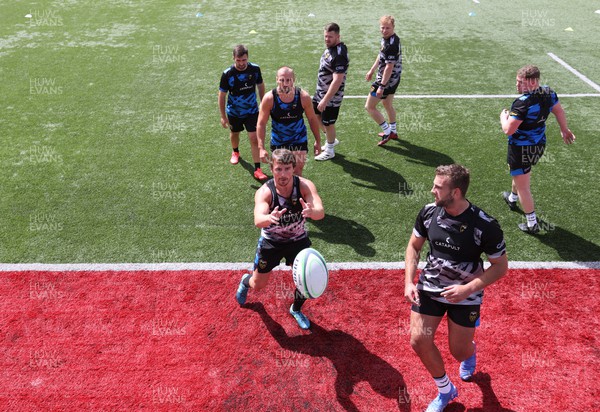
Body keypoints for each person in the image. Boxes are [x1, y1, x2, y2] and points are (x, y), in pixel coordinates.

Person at [403, 164, 508, 412]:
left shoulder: (485, 225)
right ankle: (446, 390)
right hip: (430, 288)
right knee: (419, 341)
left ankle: (469, 351)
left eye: (438, 188)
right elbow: (414, 247)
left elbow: (500, 267)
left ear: (456, 192)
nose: (432, 191)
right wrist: (409, 281)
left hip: (466, 294)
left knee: (458, 352)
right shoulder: (429, 213)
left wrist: (467, 290)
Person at [235, 149, 325, 329]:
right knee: (258, 285)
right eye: (278, 169)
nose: (282, 174)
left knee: (307, 279)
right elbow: (258, 220)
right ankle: (246, 281)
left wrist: (311, 212)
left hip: (297, 241)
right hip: (271, 243)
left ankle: (296, 309)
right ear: (272, 168)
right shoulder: (264, 192)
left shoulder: (304, 186)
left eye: (286, 169)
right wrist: (269, 218)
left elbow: (320, 212)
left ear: (293, 168)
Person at [500, 65, 576, 233]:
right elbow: (559, 111)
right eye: (517, 81)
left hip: (520, 149)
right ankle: (512, 198)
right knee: (521, 174)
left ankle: (531, 223)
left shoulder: (522, 103)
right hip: (539, 145)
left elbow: (508, 130)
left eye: (521, 82)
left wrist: (503, 117)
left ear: (533, 82)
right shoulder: (548, 93)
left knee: (524, 186)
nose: (517, 86)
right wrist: (564, 129)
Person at [257, 67, 322, 176]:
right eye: (282, 80)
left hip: (298, 139)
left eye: (288, 80)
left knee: (296, 172)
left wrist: (318, 141)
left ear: (294, 80)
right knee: (279, 174)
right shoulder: (269, 98)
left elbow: (312, 119)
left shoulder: (303, 97)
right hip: (279, 141)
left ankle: (296, 193)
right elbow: (261, 123)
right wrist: (261, 148)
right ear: (277, 79)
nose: (285, 83)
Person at [218, 44, 268, 181]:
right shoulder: (227, 74)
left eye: (244, 60)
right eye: (238, 60)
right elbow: (222, 95)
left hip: (252, 111)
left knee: (253, 138)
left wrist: (263, 104)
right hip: (234, 112)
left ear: (247, 58)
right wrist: (223, 116)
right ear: (233, 58)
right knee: (235, 133)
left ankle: (257, 169)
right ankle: (235, 152)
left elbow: (260, 85)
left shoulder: (255, 69)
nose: (241, 63)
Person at [312, 22, 350, 161]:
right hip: (320, 92)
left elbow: (337, 80)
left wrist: (325, 100)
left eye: (330, 37)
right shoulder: (331, 48)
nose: (327, 39)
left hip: (331, 98)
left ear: (338, 36)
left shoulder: (339, 55)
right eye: (325, 36)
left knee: (329, 123)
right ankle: (331, 140)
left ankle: (330, 150)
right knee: (315, 114)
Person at [365, 15, 402, 146]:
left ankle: (387, 131)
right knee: (387, 104)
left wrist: (381, 86)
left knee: (369, 107)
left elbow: (389, 67)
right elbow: (381, 55)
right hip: (394, 79)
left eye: (388, 28)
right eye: (382, 28)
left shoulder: (392, 44)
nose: (384, 30)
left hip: (386, 80)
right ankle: (393, 131)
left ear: (393, 28)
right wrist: (372, 69)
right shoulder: (387, 39)